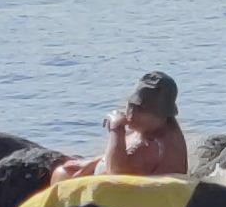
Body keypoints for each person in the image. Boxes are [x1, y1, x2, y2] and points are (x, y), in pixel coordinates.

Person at [50, 72, 190, 184]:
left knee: (62, 174)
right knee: (68, 167)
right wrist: (92, 163)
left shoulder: (157, 144)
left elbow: (117, 172)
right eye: (130, 106)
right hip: (118, 188)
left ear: (160, 114)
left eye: (141, 110)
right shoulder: (148, 129)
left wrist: (116, 128)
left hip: (133, 202)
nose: (131, 114)